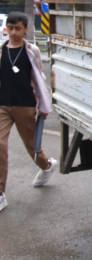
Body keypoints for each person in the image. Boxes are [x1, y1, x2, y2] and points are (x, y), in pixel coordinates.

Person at [0, 12, 56, 213]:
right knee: (0, 144)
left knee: (33, 148)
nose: (13, 32)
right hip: (3, 105)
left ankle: (47, 166)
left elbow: (39, 78)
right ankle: (0, 194)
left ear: (25, 29)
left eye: (18, 28)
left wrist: (43, 106)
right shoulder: (2, 50)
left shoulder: (31, 51)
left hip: (25, 105)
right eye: (10, 28)